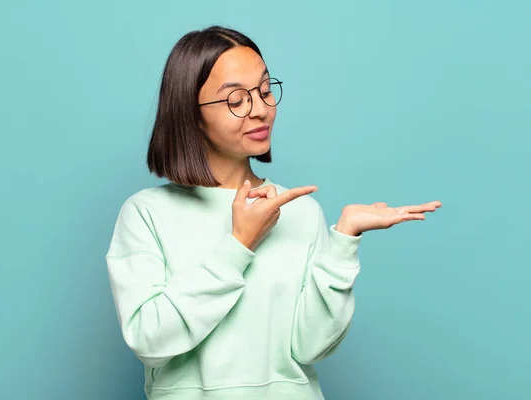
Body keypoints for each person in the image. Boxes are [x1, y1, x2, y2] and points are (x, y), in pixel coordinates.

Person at [105, 25, 441, 400]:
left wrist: (343, 242)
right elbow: (150, 339)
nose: (261, 110)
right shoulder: (147, 213)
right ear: (192, 114)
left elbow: (311, 347)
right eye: (236, 100)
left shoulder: (301, 211)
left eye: (265, 91)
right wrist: (239, 243)